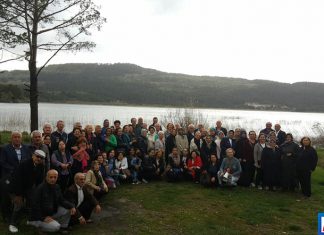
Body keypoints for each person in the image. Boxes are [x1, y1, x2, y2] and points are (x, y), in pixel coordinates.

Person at [4, 150, 46, 233]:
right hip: (15, 188)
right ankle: (12, 224)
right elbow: (17, 180)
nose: (39, 159)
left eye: (41, 158)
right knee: (19, 204)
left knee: (33, 202)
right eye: (37, 156)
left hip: (28, 187)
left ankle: (31, 220)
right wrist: (19, 195)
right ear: (33, 155)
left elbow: (39, 180)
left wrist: (37, 192)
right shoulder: (24, 164)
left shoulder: (41, 166)